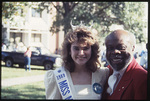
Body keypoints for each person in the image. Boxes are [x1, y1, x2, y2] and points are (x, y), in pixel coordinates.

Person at [44, 23, 109, 100]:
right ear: (69, 50)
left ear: (92, 50)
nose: (81, 53)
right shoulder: (57, 77)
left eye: (85, 48)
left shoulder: (102, 74)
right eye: (76, 48)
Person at [102, 29, 147, 100]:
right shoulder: (106, 73)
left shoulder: (142, 78)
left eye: (121, 47)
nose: (115, 51)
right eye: (110, 48)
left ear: (133, 48)